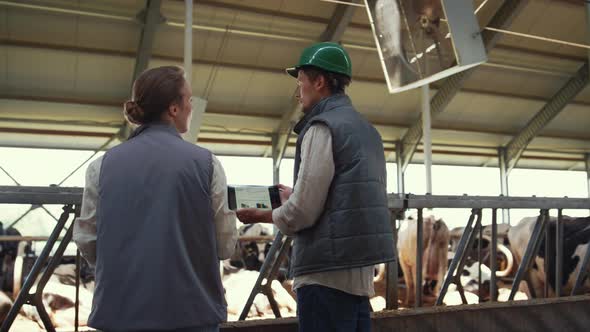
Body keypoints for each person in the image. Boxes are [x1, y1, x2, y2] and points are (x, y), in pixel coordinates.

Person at [236, 42, 396, 332]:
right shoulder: (367, 130)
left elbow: (302, 213)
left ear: (319, 82)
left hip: (325, 277)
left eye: (301, 83)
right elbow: (347, 193)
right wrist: (292, 195)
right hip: (359, 277)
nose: (298, 93)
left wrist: (260, 215)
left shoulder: (322, 127)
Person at [73, 66, 237, 332]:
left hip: (119, 315)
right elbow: (225, 244)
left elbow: (88, 240)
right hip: (191, 315)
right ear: (174, 109)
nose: (191, 106)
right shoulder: (207, 163)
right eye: (189, 100)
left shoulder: (100, 167)